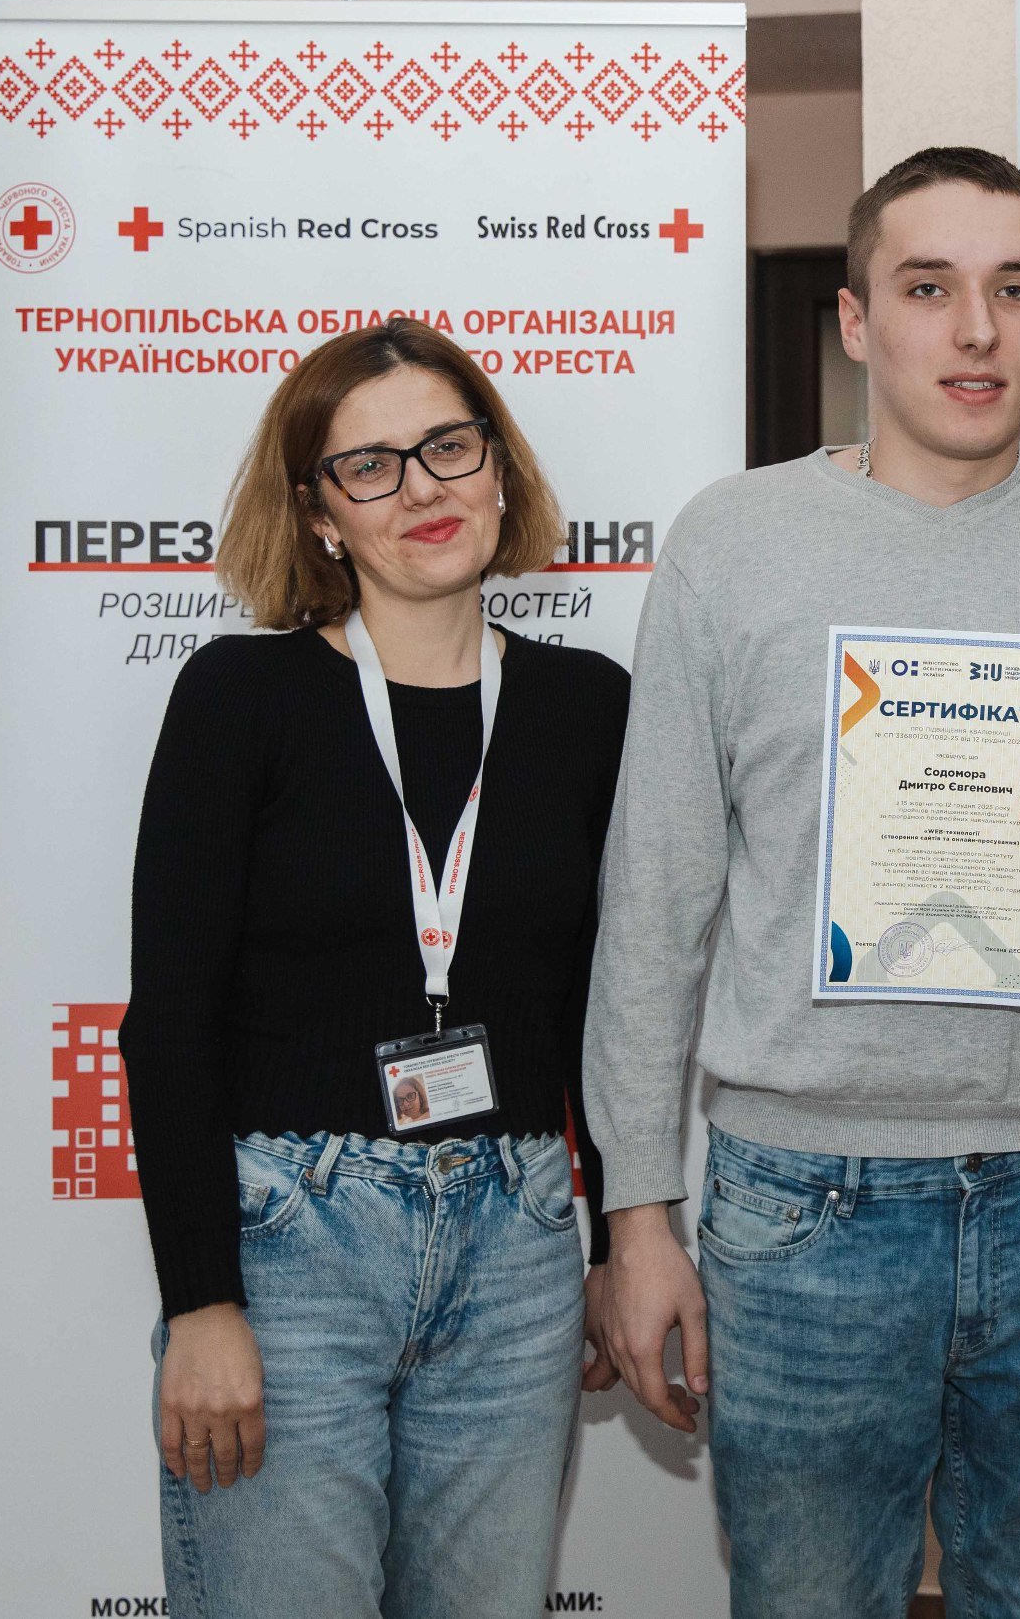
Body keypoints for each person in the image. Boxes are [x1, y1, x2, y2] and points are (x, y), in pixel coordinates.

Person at [583, 146, 1020, 1618]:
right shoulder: (731, 543)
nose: (976, 330)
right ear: (855, 320)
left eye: (1015, 290)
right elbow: (653, 907)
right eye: (929, 287)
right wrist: (637, 1215)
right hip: (801, 1204)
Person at [121, 317, 628, 1619]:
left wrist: (619, 1237)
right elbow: (169, 1021)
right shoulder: (242, 696)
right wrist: (202, 1301)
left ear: (499, 467)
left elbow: (608, 1011)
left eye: (448, 446)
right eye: (371, 466)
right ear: (321, 515)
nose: (422, 489)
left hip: (518, 1238)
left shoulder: (590, 708)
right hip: (291, 1245)